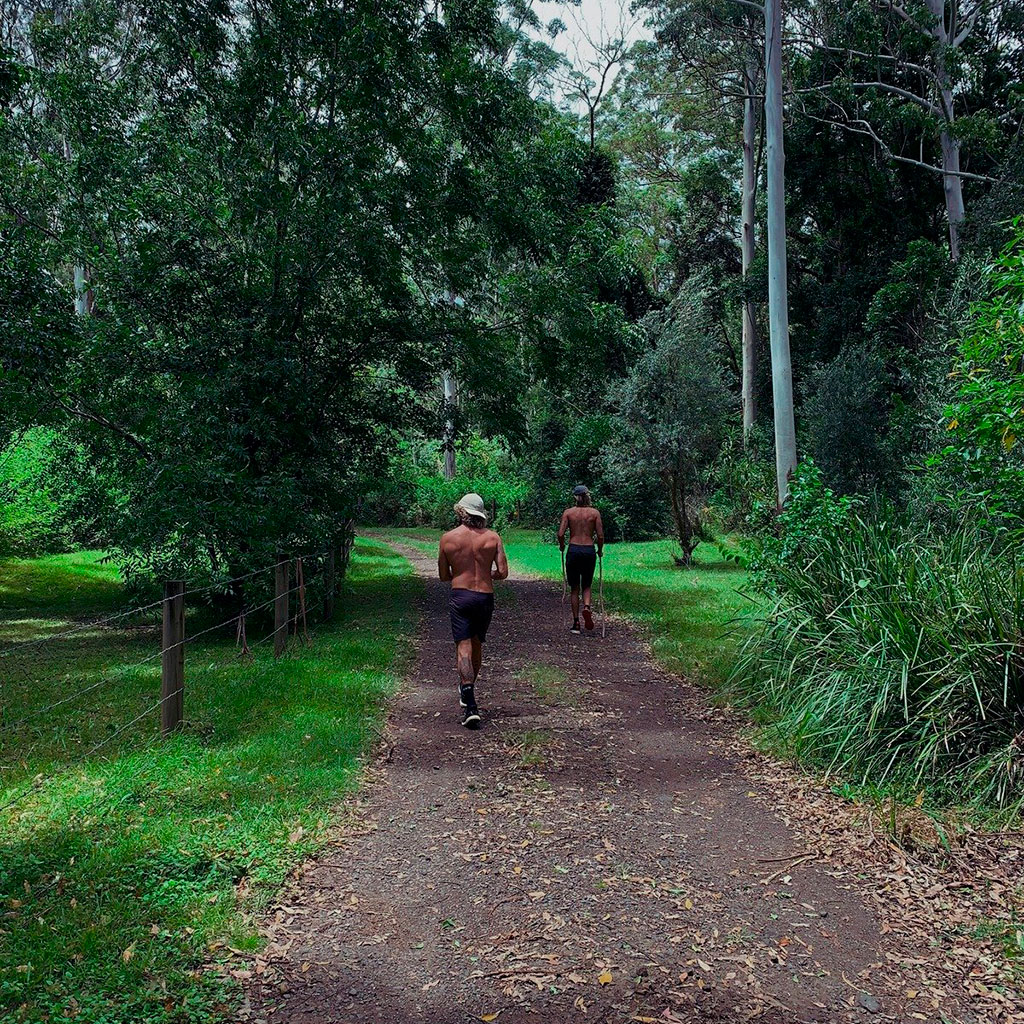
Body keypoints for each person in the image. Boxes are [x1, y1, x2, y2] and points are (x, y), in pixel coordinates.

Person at [438, 492, 509, 728]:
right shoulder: (493, 538)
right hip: (485, 598)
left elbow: (443, 575)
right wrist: (485, 575)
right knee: (477, 644)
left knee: (464, 647)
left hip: (461, 596)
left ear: (461, 512)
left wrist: (460, 573)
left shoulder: (447, 538)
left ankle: (469, 702)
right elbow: (503, 572)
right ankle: (468, 690)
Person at [558, 485, 604, 634]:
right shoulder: (594, 513)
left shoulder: (569, 513)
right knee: (587, 585)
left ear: (575, 497)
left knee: (574, 588)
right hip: (588, 550)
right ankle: (587, 607)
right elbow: (601, 535)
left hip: (574, 550)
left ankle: (576, 623)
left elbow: (560, 534)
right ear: (587, 496)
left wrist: (562, 545)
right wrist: (600, 550)